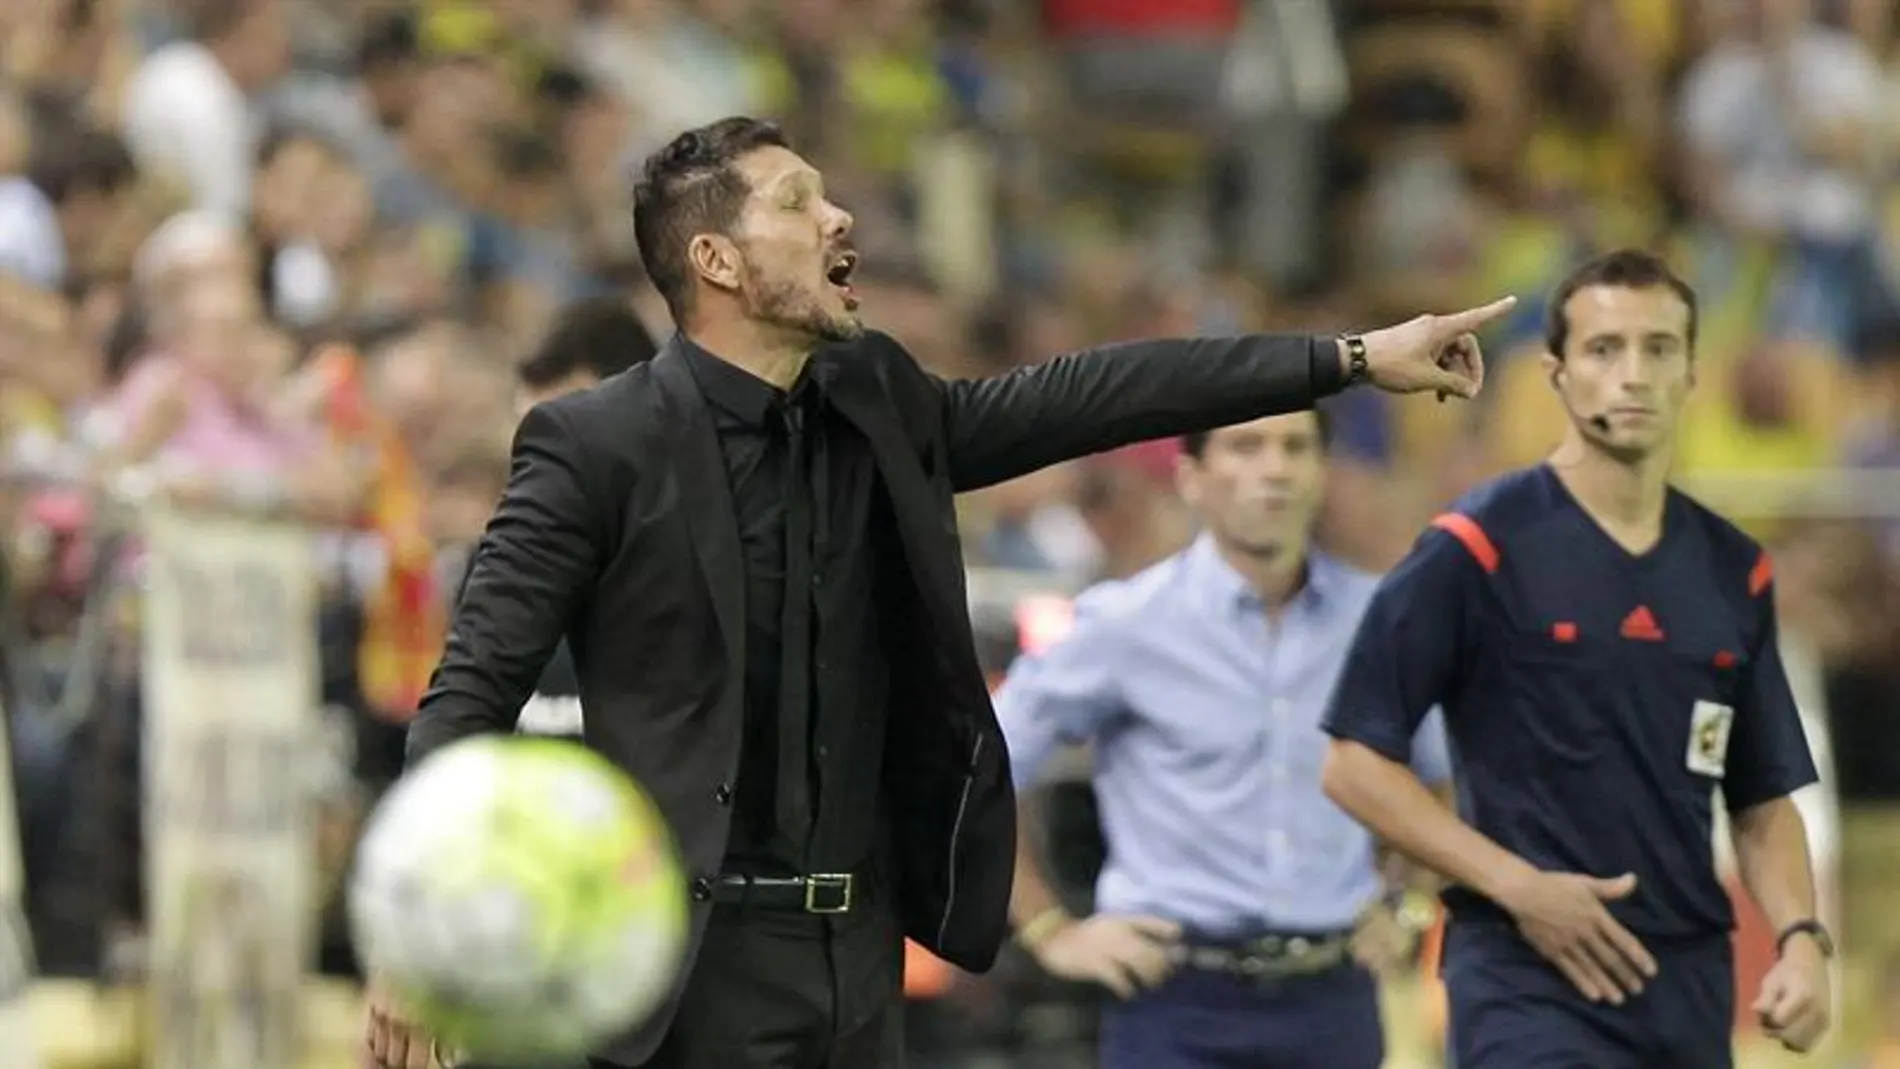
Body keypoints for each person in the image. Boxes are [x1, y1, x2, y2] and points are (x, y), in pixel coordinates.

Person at [367, 115, 1511, 1069]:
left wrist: (1349, 357)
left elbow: (1097, 393)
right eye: (797, 203)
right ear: (716, 262)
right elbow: (469, 694)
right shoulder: (593, 444)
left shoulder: (879, 399)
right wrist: (417, 945)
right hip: (682, 968)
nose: (838, 219)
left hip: (859, 959)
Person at [1319, 248, 1832, 1069]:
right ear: (1557, 374)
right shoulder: (1478, 545)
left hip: (1686, 989)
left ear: (1691, 374)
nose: (1632, 374)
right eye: (1604, 349)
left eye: (1657, 348)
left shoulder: (1736, 569)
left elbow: (1763, 797)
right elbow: (1352, 763)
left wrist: (1803, 939)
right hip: (1527, 984)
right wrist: (1516, 885)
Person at [994, 408, 1451, 1069]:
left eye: (1295, 447)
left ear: (1321, 471)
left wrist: (1409, 903)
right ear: (1191, 477)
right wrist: (1048, 929)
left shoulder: (1378, 622)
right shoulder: (1127, 623)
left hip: (1333, 993)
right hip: (1174, 996)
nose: (1272, 469)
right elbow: (979, 768)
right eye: (1245, 447)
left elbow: (1437, 779)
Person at [509, 295, 659, 739]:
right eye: (528, 436)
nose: (538, 465)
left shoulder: (711, 580)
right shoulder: (494, 582)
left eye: (565, 436)